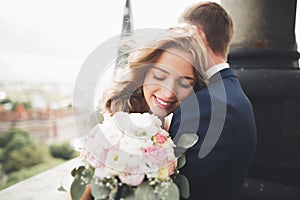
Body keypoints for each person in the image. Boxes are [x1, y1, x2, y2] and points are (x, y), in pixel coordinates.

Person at [79, 24, 209, 200]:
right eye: (160, 77)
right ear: (143, 72)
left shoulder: (174, 129)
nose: (168, 92)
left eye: (185, 83)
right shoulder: (113, 129)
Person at [168, 2, 257, 200]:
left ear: (197, 34)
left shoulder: (207, 105)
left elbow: (178, 190)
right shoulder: (231, 94)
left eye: (182, 38)